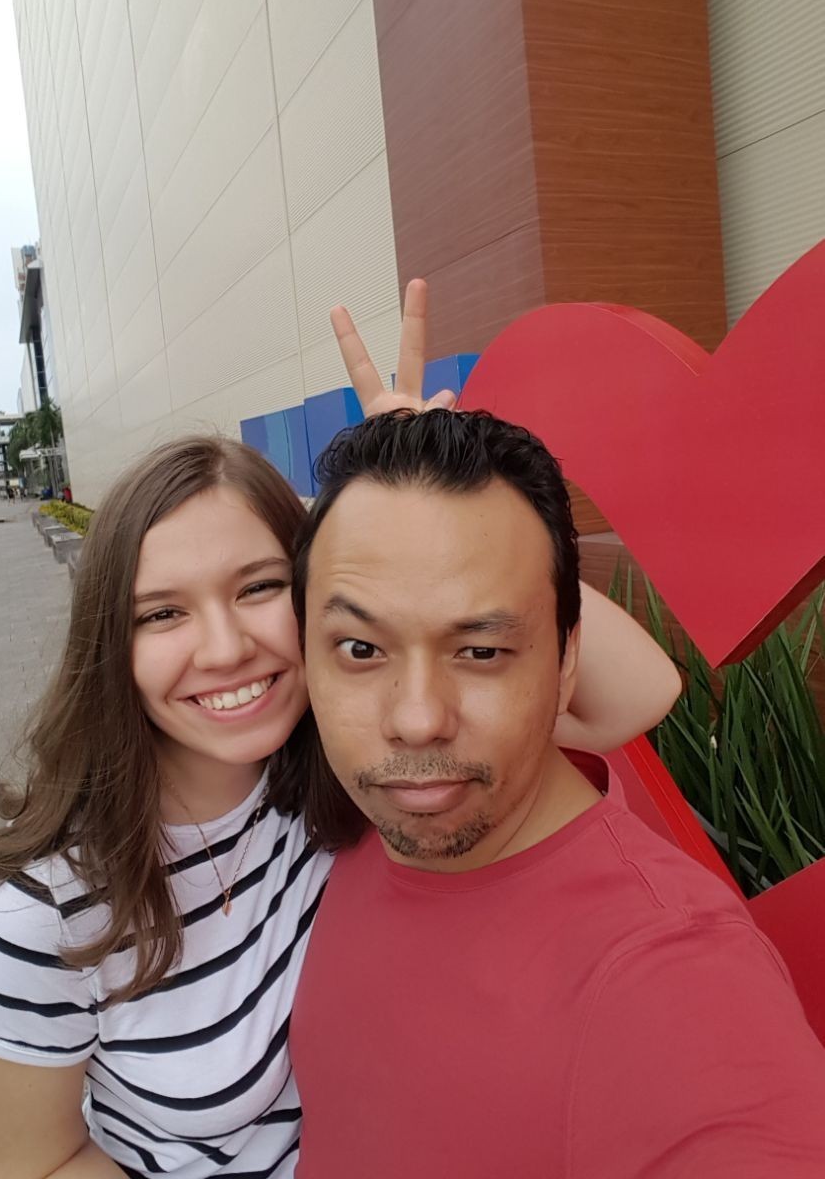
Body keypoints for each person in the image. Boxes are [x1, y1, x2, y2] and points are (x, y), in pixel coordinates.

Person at [0, 285, 680, 1178]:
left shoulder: (354, 772)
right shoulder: (47, 911)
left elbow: (640, 694)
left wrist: (430, 504)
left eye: (258, 588)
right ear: (112, 644)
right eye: (163, 613)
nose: (225, 648)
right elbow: (35, 1164)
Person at [288, 408, 825, 1178]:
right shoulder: (342, 820)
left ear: (567, 664)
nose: (416, 720)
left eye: (481, 650)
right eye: (360, 648)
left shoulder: (669, 973)